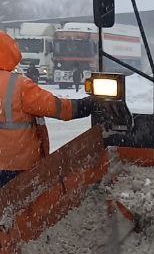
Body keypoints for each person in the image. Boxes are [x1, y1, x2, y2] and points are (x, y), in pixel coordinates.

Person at [0, 32, 94, 189]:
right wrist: (86, 106)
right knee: (21, 209)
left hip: (10, 164)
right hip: (17, 164)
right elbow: (55, 107)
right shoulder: (17, 85)